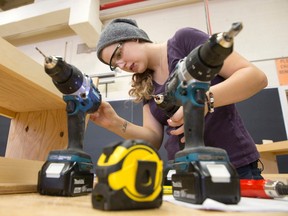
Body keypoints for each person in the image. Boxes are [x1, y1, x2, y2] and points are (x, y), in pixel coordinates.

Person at [90, 18, 268, 179]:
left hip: (232, 165)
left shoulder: (183, 41)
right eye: (115, 65)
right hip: (184, 171)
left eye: (119, 55)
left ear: (134, 37)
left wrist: (202, 102)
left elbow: (255, 77)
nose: (122, 66)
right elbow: (152, 139)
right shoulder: (146, 84)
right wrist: (113, 122)